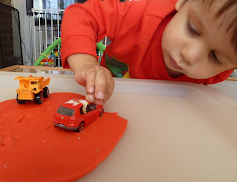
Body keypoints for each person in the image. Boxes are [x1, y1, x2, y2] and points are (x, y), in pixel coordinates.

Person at [61, 0, 237, 105]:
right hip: (110, 101)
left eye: (215, 57)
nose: (189, 55)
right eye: (193, 29)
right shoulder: (140, 15)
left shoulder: (219, 73)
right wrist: (85, 64)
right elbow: (81, 15)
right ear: (182, 2)